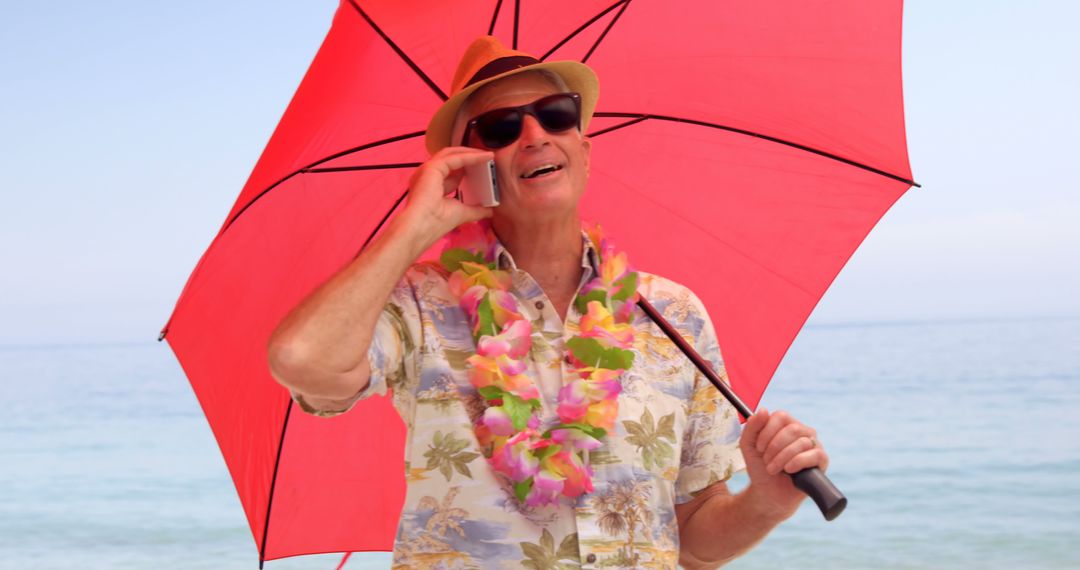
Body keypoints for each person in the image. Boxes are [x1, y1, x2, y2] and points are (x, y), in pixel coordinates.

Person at [268, 36, 829, 569]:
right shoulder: (416, 304)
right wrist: (412, 230)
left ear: (582, 150)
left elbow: (694, 541)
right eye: (500, 127)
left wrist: (766, 503)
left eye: (556, 113)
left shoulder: (673, 313)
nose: (534, 134)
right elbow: (301, 358)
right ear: (469, 169)